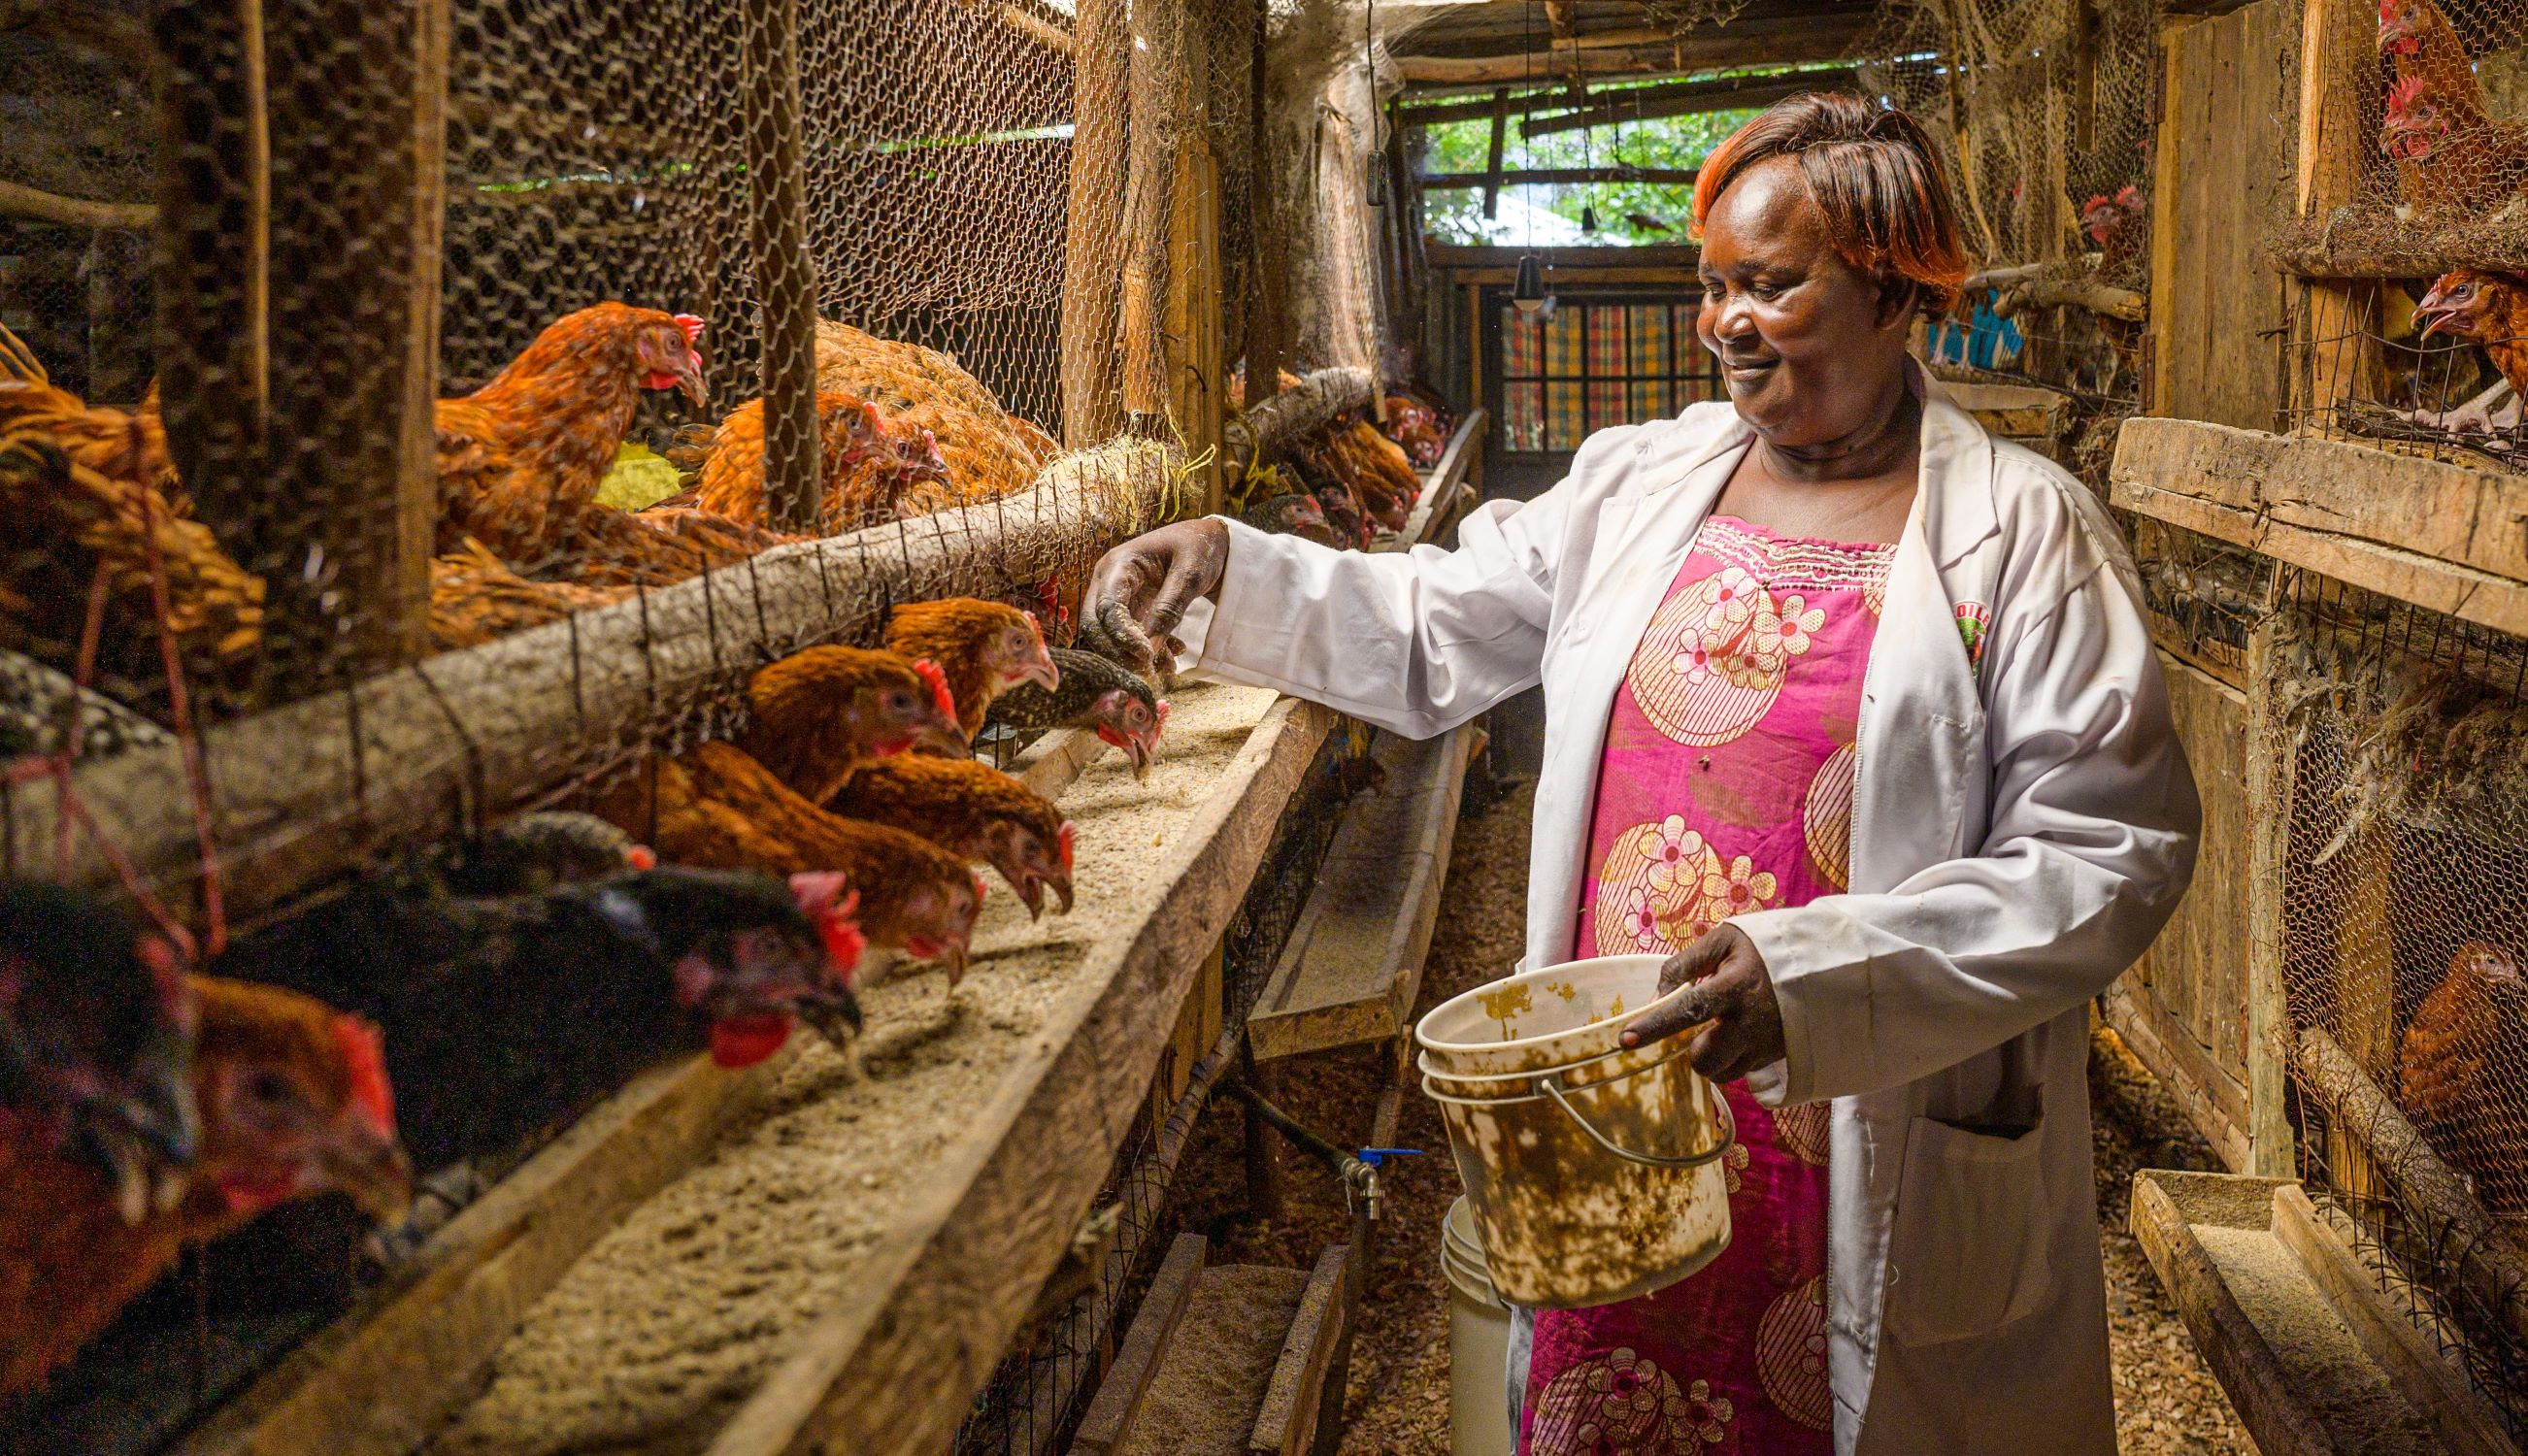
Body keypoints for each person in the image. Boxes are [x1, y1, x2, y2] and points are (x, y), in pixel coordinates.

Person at [1080, 94, 2197, 1456]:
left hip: (1862, 1106)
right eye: (1713, 284)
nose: (1727, 320)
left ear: (1897, 289)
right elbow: (1442, 621)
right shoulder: (1641, 484)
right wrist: (1232, 567)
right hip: (1629, 1114)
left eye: (1773, 285)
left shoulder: (2024, 533)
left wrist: (1817, 977)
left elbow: (2107, 852)